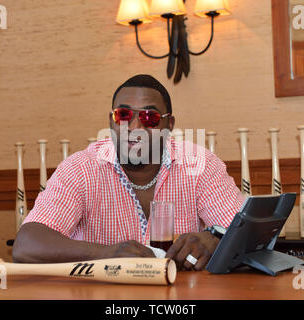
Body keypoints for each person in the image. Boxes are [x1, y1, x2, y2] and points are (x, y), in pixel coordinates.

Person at [13, 74, 245, 271]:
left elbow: (246, 233)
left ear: (169, 124)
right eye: (123, 115)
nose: (135, 127)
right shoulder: (81, 169)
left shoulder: (199, 164)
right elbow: (26, 245)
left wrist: (214, 240)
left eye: (149, 117)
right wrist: (104, 253)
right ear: (112, 121)